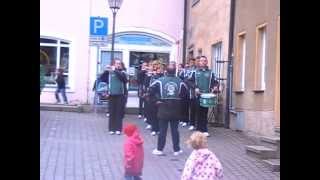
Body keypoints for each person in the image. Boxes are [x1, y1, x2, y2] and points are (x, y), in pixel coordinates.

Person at [149, 61, 188, 156]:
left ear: (166, 71)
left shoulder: (159, 81)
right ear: (175, 71)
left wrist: (156, 101)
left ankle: (159, 149)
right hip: (176, 108)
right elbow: (186, 95)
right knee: (175, 130)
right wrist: (179, 102)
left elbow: (150, 92)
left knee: (162, 130)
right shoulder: (180, 82)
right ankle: (177, 150)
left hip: (163, 107)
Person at [187, 56, 218, 137]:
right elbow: (189, 81)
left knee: (204, 112)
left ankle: (204, 130)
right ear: (199, 62)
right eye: (201, 61)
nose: (203, 62)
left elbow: (215, 82)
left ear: (207, 62)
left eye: (204, 61)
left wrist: (215, 87)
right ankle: (198, 130)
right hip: (197, 95)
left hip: (207, 95)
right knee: (198, 112)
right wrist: (195, 87)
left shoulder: (211, 72)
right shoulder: (194, 72)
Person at [105, 59, 128, 135]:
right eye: (116, 63)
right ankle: (111, 129)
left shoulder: (123, 72)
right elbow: (103, 79)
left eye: (119, 63)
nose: (118, 65)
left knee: (119, 113)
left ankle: (118, 129)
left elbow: (123, 79)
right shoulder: (110, 73)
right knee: (112, 112)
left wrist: (115, 70)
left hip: (120, 95)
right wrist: (106, 70)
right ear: (113, 64)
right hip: (111, 95)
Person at [185, 57, 198, 131]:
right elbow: (187, 80)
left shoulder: (202, 70)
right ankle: (192, 123)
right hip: (192, 92)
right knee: (192, 108)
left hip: (201, 93)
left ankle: (198, 124)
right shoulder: (191, 71)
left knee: (198, 109)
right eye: (198, 61)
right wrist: (194, 86)